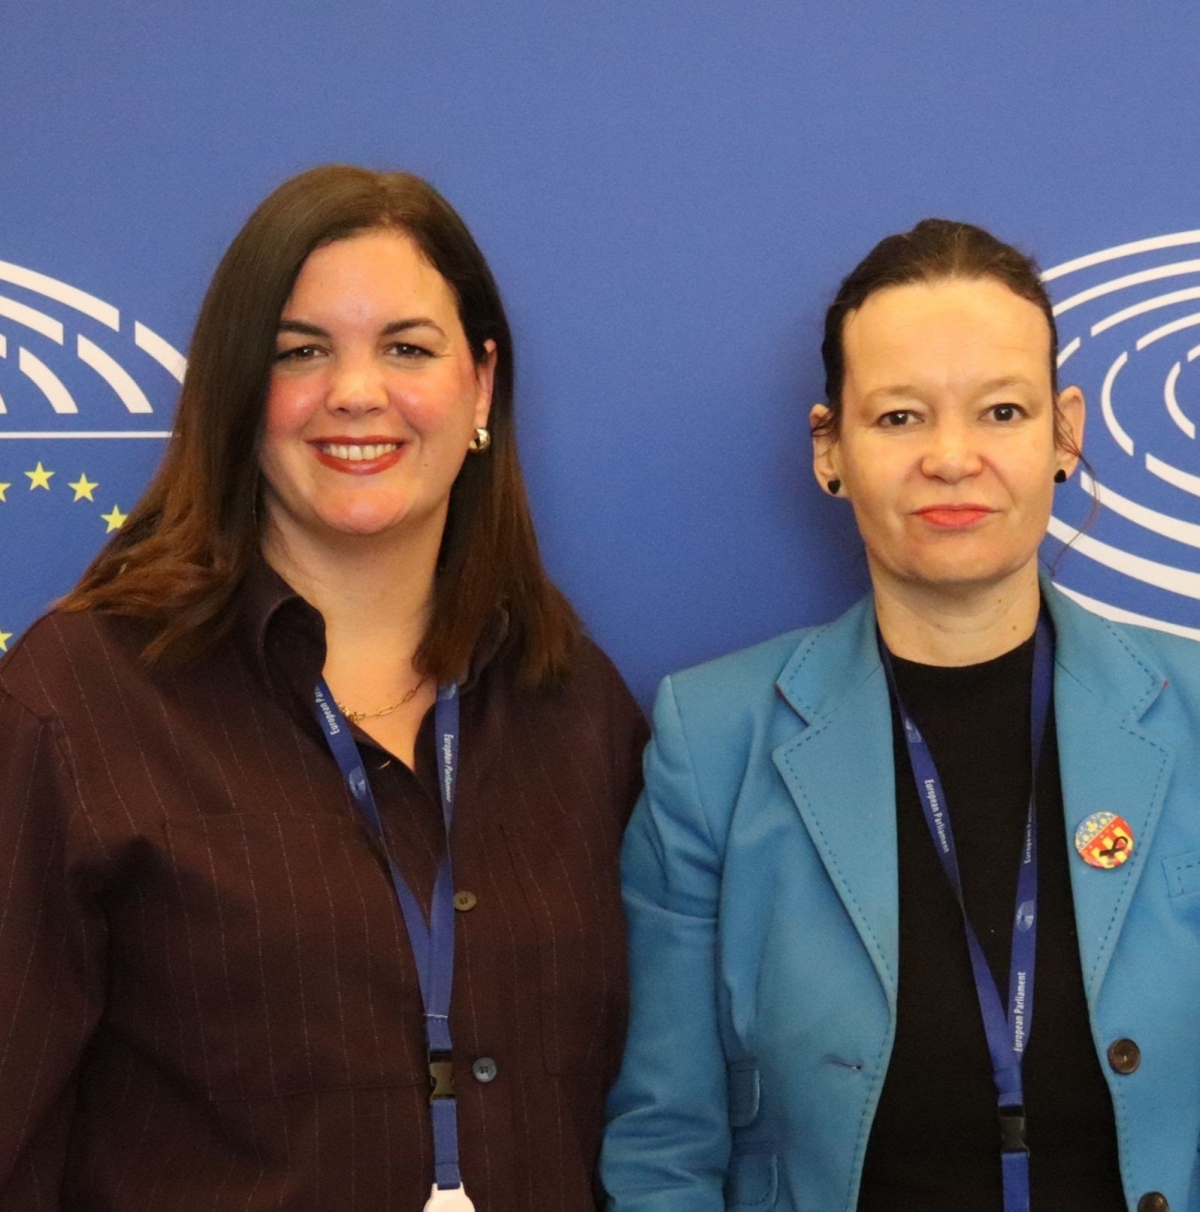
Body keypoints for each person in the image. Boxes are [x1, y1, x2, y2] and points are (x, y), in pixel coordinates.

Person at [0, 165, 647, 1210]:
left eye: (407, 348)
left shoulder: (572, 704)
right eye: (301, 351)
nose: (357, 392)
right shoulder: (78, 703)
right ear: (236, 394)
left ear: (480, 387)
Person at [602, 219, 1200, 1212]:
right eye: (899, 418)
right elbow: (666, 1142)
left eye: (1002, 412)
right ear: (829, 450)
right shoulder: (713, 745)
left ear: (1066, 434)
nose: (953, 458)